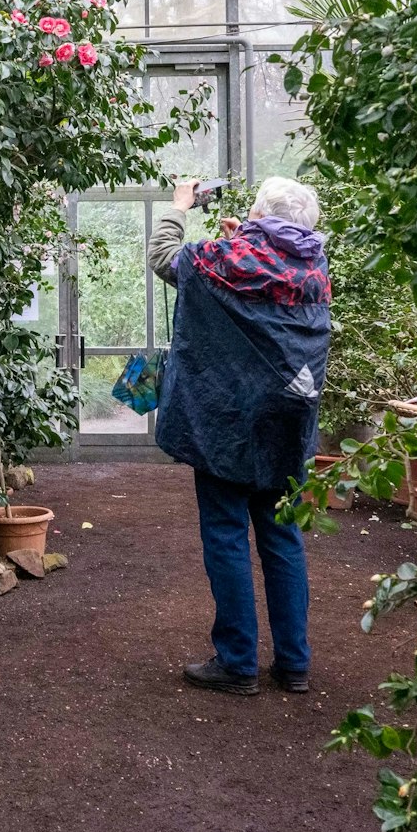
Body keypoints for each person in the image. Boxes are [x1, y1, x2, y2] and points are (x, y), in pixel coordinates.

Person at [146, 174, 330, 695]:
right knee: (282, 537)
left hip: (227, 425)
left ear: (259, 216)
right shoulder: (315, 268)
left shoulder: (220, 261)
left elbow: (165, 256)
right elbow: (268, 272)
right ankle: (294, 664)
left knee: (226, 534)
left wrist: (180, 205)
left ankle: (238, 662)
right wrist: (244, 238)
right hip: (287, 425)